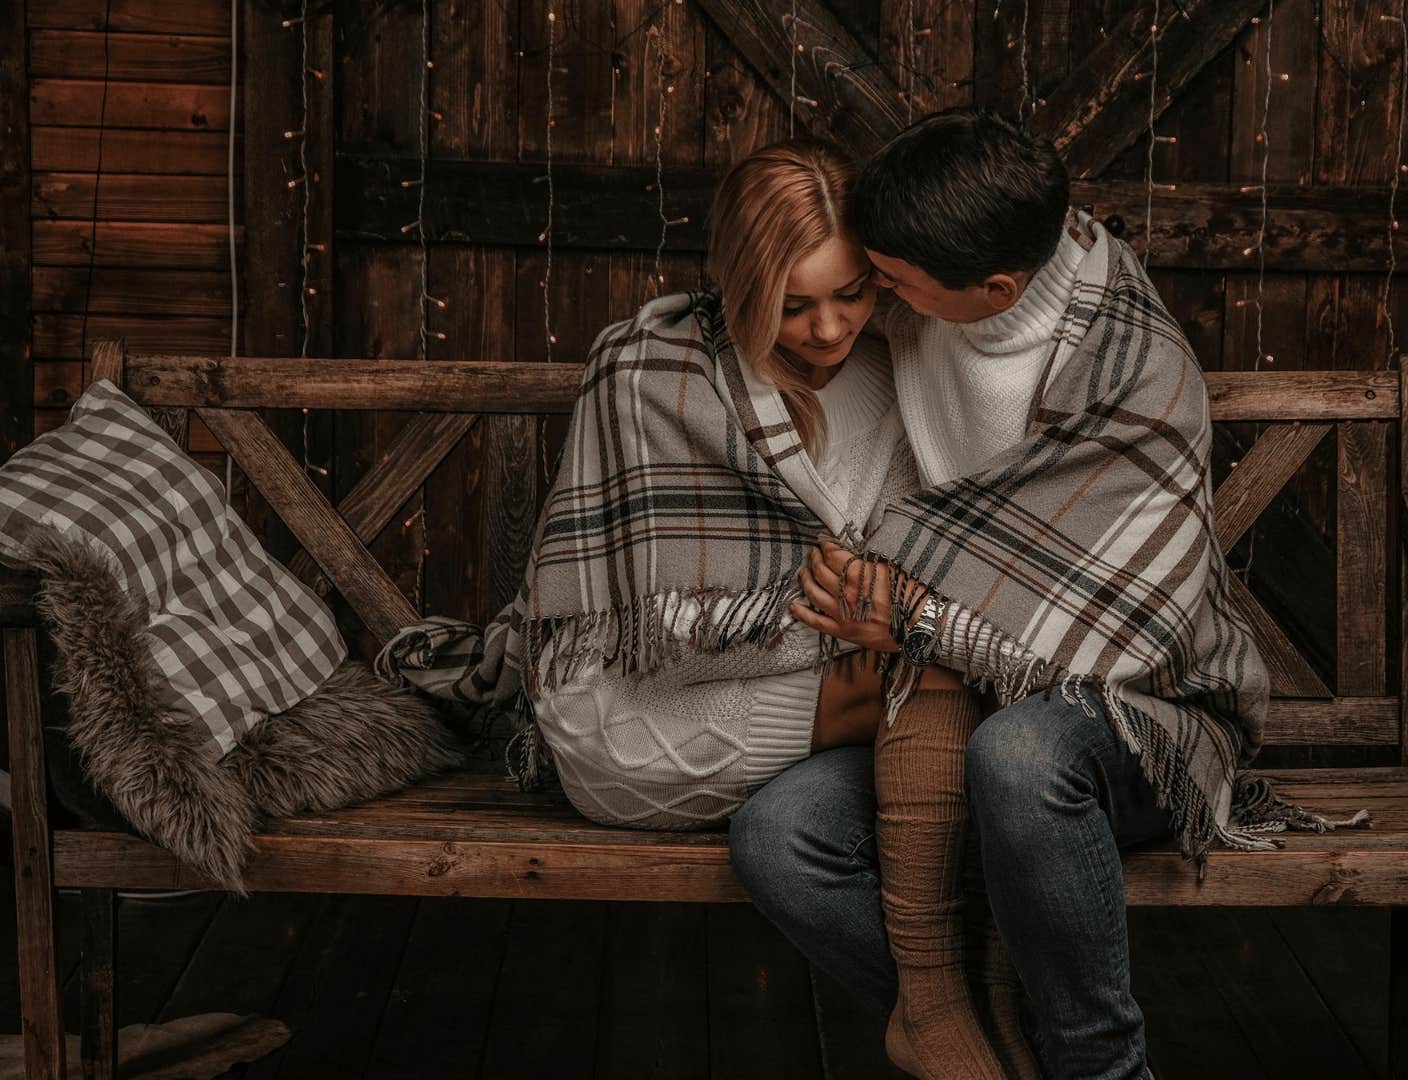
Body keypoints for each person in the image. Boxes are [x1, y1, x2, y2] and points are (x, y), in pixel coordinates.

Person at [377, 137, 1037, 1080]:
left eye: (851, 292)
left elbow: (934, 562)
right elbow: (658, 637)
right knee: (932, 693)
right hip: (636, 719)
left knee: (943, 698)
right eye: (792, 303)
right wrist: (844, 613)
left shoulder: (904, 374)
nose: (825, 329)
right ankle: (979, 1025)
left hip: (833, 688)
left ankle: (957, 1023)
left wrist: (876, 610)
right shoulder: (651, 369)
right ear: (738, 280)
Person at [730, 109, 1346, 1080]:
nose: (872, 302)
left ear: (999, 290)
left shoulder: (1133, 368)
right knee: (782, 833)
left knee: (1019, 754)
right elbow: (789, 306)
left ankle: (1099, 1067)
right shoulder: (934, 285)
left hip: (1131, 713)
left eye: (888, 285)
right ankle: (971, 1037)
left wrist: (916, 615)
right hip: (940, 703)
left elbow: (1132, 630)